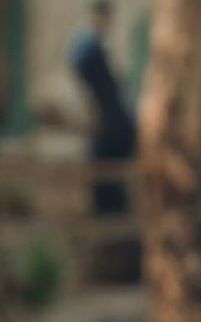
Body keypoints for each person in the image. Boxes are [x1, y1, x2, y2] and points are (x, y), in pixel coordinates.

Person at [67, 0, 136, 216]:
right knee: (106, 182)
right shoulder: (89, 48)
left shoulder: (92, 46)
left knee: (110, 181)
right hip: (109, 125)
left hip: (111, 125)